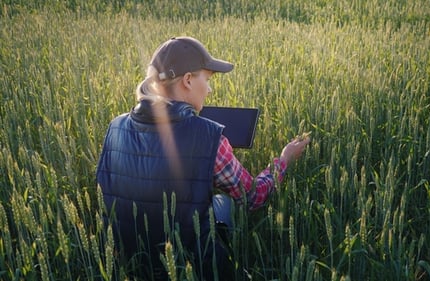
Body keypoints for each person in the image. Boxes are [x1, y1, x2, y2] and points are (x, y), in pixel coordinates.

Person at [96, 36, 310, 281]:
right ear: (188, 80)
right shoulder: (210, 137)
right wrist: (283, 160)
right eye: (207, 79)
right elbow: (253, 197)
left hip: (127, 264)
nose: (209, 89)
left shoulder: (115, 127)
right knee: (225, 202)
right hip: (190, 267)